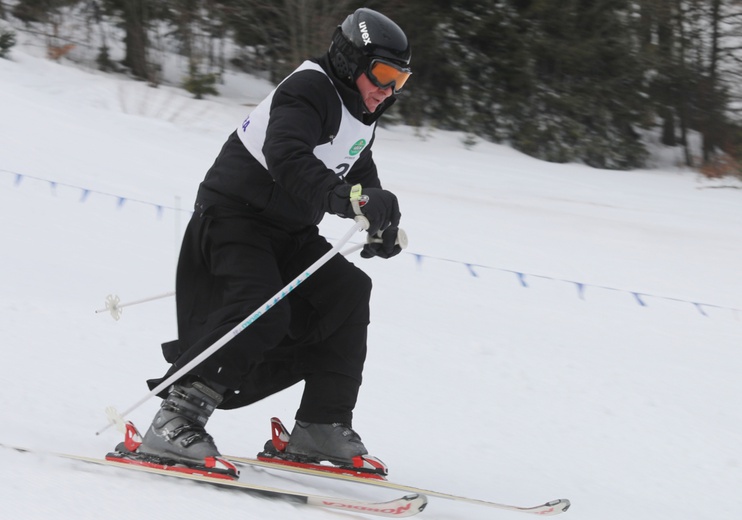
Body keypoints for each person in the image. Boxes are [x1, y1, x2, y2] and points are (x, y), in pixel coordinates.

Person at [120, 8, 412, 476]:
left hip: (289, 231)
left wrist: (377, 217)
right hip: (235, 218)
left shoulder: (361, 109)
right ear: (349, 59)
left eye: (400, 79)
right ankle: (175, 419)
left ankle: (321, 422)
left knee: (348, 292)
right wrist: (345, 198)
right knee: (263, 308)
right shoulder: (308, 89)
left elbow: (355, 167)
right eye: (382, 74)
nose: (388, 89)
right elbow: (287, 156)